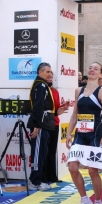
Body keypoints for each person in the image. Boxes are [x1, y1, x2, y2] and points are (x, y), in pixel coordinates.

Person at [66, 62, 102, 204]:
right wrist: (68, 133)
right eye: (90, 67)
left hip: (95, 135)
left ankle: (98, 202)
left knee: (93, 170)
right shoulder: (78, 90)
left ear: (101, 75)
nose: (92, 70)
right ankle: (85, 199)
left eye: (96, 69)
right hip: (80, 134)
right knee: (72, 168)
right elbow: (74, 114)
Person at [27, 62, 55, 191]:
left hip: (45, 123)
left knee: (42, 153)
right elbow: (38, 107)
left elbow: (46, 107)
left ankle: (40, 179)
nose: (50, 74)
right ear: (40, 72)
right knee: (37, 154)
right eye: (47, 72)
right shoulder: (40, 86)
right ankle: (34, 181)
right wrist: (37, 126)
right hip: (40, 124)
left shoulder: (44, 86)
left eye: (50, 72)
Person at [43, 71, 69, 183]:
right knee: (44, 151)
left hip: (55, 123)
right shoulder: (41, 90)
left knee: (52, 150)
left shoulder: (55, 91)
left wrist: (63, 108)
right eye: (48, 76)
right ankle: (43, 177)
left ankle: (52, 176)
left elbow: (57, 110)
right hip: (44, 124)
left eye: (51, 77)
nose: (50, 78)